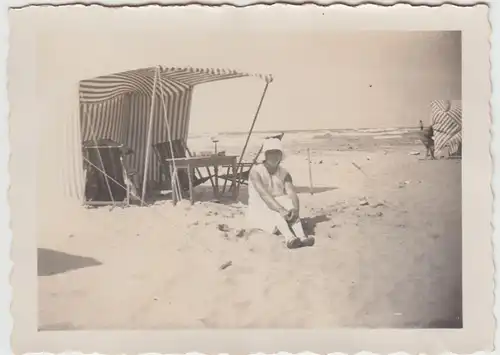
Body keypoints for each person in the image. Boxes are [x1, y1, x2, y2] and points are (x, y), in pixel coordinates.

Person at [247, 138, 315, 249]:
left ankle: (302, 237)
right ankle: (289, 238)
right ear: (265, 155)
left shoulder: (284, 173)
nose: (274, 156)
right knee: (278, 208)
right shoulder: (256, 172)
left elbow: (292, 192)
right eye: (271, 153)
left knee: (288, 202)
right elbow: (263, 194)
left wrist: (296, 210)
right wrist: (280, 209)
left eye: (277, 153)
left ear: (281, 155)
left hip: (278, 208)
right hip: (259, 209)